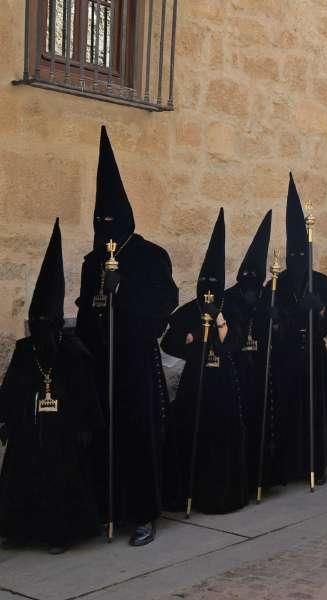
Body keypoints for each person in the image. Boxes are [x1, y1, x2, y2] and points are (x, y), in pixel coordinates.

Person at [75, 126, 178, 546]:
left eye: (112, 223)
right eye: (100, 225)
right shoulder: (90, 260)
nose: (107, 232)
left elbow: (164, 303)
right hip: (101, 361)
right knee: (101, 435)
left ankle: (142, 513)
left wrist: (126, 296)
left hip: (135, 360)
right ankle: (105, 508)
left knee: (138, 435)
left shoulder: (151, 256)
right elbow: (85, 307)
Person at [0, 220, 104, 554]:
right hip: (29, 429)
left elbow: (85, 393)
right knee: (22, 477)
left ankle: (58, 534)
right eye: (37, 323)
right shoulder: (24, 349)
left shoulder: (73, 352)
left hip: (62, 433)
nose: (41, 329)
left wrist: (87, 425)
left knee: (60, 480)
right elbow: (12, 386)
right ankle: (19, 530)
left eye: (47, 322)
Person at [254, 174, 327, 488]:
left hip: (313, 360)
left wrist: (320, 310)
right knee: (289, 412)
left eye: (301, 256)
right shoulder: (276, 285)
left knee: (314, 411)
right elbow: (265, 322)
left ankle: (314, 464)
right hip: (286, 359)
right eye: (292, 255)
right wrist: (275, 318)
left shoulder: (319, 282)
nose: (296, 260)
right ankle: (290, 464)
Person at [161, 209, 248, 514]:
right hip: (194, 383)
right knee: (190, 433)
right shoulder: (189, 310)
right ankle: (188, 493)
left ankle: (220, 494)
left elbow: (235, 345)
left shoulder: (230, 309)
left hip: (222, 383)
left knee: (219, 438)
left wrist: (221, 325)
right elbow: (169, 341)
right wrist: (193, 338)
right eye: (205, 283)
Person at [223, 211, 272, 493]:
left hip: (261, 367)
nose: (251, 278)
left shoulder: (267, 297)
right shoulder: (230, 297)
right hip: (237, 368)